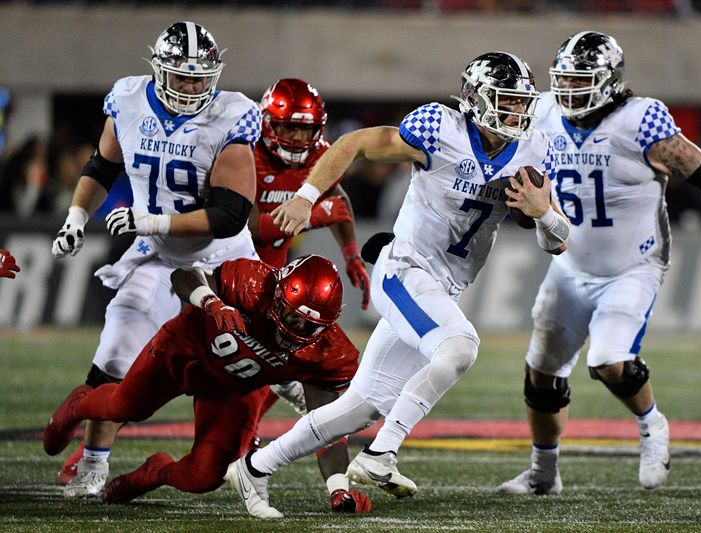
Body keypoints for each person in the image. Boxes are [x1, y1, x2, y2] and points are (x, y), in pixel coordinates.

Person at [225, 51, 570, 518]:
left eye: (521, 102)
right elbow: (352, 144)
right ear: (476, 99)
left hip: (443, 286)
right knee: (460, 346)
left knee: (362, 405)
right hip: (403, 267)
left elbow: (558, 241)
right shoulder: (439, 129)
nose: (516, 113)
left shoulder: (533, 149)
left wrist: (542, 211)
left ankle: (255, 467)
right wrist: (307, 197)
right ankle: (382, 453)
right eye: (506, 101)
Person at [495, 31, 701, 496]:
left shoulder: (640, 120)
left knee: (610, 360)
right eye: (565, 80)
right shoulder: (543, 112)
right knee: (541, 377)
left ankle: (652, 426)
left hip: (635, 264)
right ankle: (542, 475)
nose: (569, 90)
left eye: (581, 80)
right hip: (570, 265)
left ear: (609, 82)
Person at [50, 21, 261, 498]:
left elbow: (229, 215)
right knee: (114, 356)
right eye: (181, 76)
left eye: (199, 77)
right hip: (158, 260)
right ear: (158, 71)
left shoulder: (232, 114)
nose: (191, 87)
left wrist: (151, 222)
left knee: (257, 364)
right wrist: (76, 218)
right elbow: (102, 167)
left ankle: (273, 453)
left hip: (225, 263)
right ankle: (92, 464)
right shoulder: (127, 100)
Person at [43, 255, 371, 515]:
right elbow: (183, 275)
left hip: (233, 389)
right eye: (289, 314)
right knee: (123, 407)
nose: (292, 328)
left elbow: (323, 427)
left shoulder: (331, 354)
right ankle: (77, 405)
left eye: (306, 325)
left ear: (328, 325)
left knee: (205, 476)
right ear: (278, 291)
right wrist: (211, 302)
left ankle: (155, 471)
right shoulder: (255, 282)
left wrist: (338, 486)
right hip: (188, 348)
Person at [248, 78, 370, 419]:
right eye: (289, 128)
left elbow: (337, 199)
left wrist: (350, 254)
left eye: (307, 130)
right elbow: (245, 226)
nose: (300, 139)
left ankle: (258, 420)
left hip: (272, 270)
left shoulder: (319, 153)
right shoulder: (245, 152)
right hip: (228, 267)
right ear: (268, 123)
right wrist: (314, 216)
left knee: (290, 347)